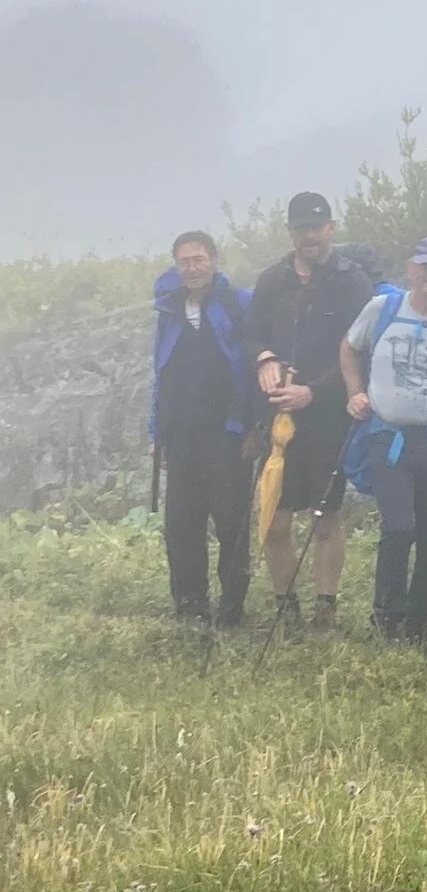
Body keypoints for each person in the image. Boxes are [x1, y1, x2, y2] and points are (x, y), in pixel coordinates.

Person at [340, 237, 427, 642]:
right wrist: (355, 392)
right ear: (411, 268)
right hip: (389, 439)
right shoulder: (382, 309)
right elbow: (349, 348)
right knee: (399, 528)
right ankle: (388, 617)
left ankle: (421, 621)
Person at [245, 192, 373, 629]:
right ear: (290, 233)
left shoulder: (352, 282)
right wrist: (263, 358)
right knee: (275, 519)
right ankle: (286, 605)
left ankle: (325, 607)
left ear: (331, 229)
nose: (309, 237)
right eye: (301, 229)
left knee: (325, 516)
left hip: (328, 418)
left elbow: (361, 351)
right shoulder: (272, 281)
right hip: (277, 419)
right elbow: (250, 335)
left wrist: (312, 393)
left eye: (316, 228)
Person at [149, 230, 256, 626]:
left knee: (231, 521)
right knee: (181, 522)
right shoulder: (170, 311)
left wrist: (253, 427)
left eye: (198, 259)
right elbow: (161, 373)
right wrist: (156, 434)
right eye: (184, 261)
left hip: (227, 432)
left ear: (215, 260)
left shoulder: (238, 303)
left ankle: (231, 607)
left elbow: (253, 368)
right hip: (181, 433)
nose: (192, 268)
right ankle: (191, 603)